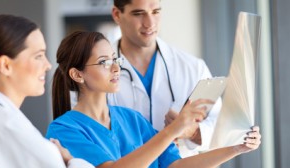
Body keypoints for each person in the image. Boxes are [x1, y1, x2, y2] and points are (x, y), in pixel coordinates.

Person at [46, 31, 261, 168]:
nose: (115, 68)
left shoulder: (133, 120)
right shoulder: (63, 130)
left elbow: (176, 166)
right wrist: (174, 130)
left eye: (115, 59)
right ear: (77, 74)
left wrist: (237, 148)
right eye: (104, 62)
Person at [106, 0, 220, 154]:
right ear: (117, 14)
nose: (149, 23)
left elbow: (222, 128)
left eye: (156, 12)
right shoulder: (96, 69)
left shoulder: (193, 68)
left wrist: (190, 131)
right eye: (138, 13)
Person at [0, 14, 94, 168]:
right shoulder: (8, 126)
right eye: (38, 56)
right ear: (6, 65)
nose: (48, 65)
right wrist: (69, 160)